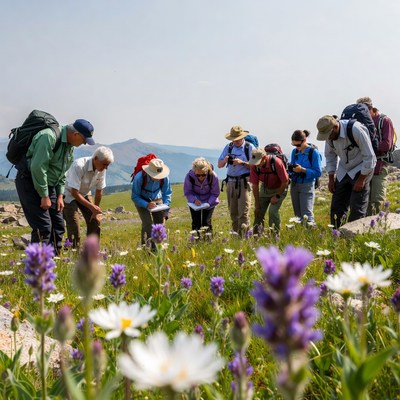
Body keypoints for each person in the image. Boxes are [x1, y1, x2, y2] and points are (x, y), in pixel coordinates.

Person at [15, 118, 95, 254]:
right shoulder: (48, 137)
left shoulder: (68, 146)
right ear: (76, 134)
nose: (83, 144)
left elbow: (62, 172)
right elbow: (38, 168)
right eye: (83, 140)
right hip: (30, 182)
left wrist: (59, 195)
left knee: (58, 225)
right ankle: (37, 265)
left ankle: (54, 261)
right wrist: (44, 195)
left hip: (50, 186)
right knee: (43, 227)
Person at [316, 115, 376, 227]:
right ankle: (336, 235)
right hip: (344, 170)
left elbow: (370, 157)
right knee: (337, 205)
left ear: (335, 127)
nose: (328, 138)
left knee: (357, 207)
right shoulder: (329, 137)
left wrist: (362, 179)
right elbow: (330, 157)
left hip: (362, 168)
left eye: (329, 135)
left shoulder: (356, 130)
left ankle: (353, 237)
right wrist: (331, 179)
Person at [63, 146, 114, 248]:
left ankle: (92, 250)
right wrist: (92, 207)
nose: (106, 168)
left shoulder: (102, 168)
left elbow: (99, 190)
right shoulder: (79, 166)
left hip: (85, 192)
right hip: (69, 194)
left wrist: (95, 210)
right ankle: (74, 252)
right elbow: (74, 192)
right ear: (95, 159)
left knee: (94, 221)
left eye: (107, 165)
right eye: (104, 164)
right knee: (74, 225)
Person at [356, 96, 396, 215]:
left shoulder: (385, 121)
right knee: (364, 199)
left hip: (380, 164)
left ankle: (374, 227)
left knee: (377, 199)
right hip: (364, 165)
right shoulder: (360, 123)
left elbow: (386, 145)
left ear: (371, 108)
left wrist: (367, 147)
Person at [218, 126, 254, 235]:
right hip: (231, 182)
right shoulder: (228, 147)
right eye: (234, 139)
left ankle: (245, 236)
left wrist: (241, 163)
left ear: (242, 137)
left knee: (243, 212)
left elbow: (256, 166)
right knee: (233, 212)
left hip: (244, 182)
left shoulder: (249, 147)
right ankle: (236, 236)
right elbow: (219, 165)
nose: (236, 141)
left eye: (238, 139)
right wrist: (225, 160)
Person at [131, 158, 172, 248]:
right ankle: (147, 248)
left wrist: (166, 208)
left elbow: (167, 193)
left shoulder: (164, 178)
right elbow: (134, 197)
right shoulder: (139, 178)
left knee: (160, 224)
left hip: (157, 200)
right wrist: (146, 204)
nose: (158, 177)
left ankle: (158, 247)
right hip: (141, 200)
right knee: (147, 224)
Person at [249, 147, 289, 233]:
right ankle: (257, 237)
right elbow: (255, 186)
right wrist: (257, 204)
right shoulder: (254, 166)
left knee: (272, 212)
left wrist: (277, 196)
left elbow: (285, 181)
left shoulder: (276, 162)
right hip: (265, 188)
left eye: (258, 163)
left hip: (280, 188)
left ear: (264, 158)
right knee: (258, 212)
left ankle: (275, 236)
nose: (257, 165)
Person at [289, 130, 322, 223]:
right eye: (294, 145)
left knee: (307, 214)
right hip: (295, 184)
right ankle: (300, 234)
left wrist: (303, 170)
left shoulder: (313, 153)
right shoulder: (294, 152)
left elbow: (318, 172)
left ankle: (310, 233)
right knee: (297, 215)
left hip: (307, 185)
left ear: (304, 140)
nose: (296, 147)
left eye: (298, 145)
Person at [183, 157, 220, 234]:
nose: (201, 177)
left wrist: (208, 202)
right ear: (194, 171)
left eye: (203, 175)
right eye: (198, 175)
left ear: (207, 171)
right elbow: (188, 192)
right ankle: (196, 241)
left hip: (209, 201)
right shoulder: (189, 176)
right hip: (195, 202)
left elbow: (215, 193)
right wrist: (194, 200)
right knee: (196, 223)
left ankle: (208, 241)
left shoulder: (213, 176)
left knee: (206, 222)